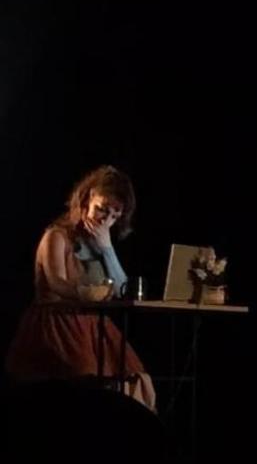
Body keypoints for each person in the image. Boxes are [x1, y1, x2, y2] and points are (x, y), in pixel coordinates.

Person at [6, 165, 156, 409]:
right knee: (81, 385)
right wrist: (88, 293)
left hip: (93, 324)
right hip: (58, 322)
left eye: (114, 216)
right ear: (88, 198)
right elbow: (57, 282)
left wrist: (107, 248)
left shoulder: (99, 241)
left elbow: (122, 289)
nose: (105, 220)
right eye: (102, 209)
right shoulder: (57, 235)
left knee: (134, 379)